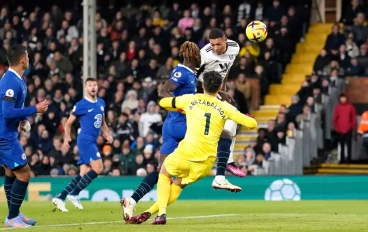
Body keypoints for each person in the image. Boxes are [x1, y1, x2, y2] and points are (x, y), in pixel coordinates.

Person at [137, 71, 257, 225]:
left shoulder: (190, 100)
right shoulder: (226, 107)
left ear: (202, 85)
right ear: (220, 87)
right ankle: (149, 212)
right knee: (179, 184)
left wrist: (179, 107)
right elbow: (251, 124)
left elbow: (163, 103)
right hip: (205, 162)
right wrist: (245, 118)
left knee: (165, 173)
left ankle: (161, 214)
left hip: (186, 153)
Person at [121, 41, 201, 222]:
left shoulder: (191, 75)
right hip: (182, 126)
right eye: (198, 56)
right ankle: (159, 211)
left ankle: (132, 200)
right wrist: (180, 107)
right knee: (184, 175)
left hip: (170, 126)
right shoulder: (181, 72)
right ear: (192, 56)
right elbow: (163, 93)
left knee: (162, 171)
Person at [1, 45, 49, 228]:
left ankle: (14, 214)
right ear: (23, 60)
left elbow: (14, 109)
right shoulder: (11, 81)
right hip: (4, 136)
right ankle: (12, 217)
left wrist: (23, 118)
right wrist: (35, 109)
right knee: (24, 172)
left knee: (10, 172)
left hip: (7, 133)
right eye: (27, 56)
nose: (29, 59)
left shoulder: (17, 78)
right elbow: (6, 112)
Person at [52, 78, 113, 212]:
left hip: (93, 140)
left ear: (97, 87)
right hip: (85, 139)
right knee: (98, 167)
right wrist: (67, 137)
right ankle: (74, 194)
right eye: (90, 85)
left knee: (83, 173)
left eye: (95, 85)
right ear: (86, 88)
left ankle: (61, 197)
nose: (93, 87)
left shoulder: (101, 102)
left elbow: (102, 122)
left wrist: (107, 134)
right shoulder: (81, 105)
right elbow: (68, 123)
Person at [197, 28, 245, 190]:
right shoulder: (204, 54)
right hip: (204, 93)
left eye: (218, 44)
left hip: (217, 92)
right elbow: (194, 79)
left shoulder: (235, 47)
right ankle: (226, 162)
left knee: (232, 121)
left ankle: (227, 163)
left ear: (225, 40)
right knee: (230, 120)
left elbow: (226, 70)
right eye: (212, 44)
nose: (216, 48)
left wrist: (223, 90)